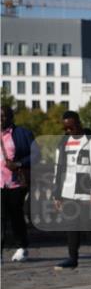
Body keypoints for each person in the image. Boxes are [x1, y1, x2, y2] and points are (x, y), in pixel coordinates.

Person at [52, 111, 91, 269]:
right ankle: (73, 259)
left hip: (88, 189)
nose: (69, 132)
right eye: (66, 129)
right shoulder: (63, 142)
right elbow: (58, 169)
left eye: (71, 127)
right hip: (68, 190)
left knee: (89, 221)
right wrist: (57, 194)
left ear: (79, 123)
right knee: (71, 224)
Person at [1, 105, 35, 261]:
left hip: (16, 183)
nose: (0, 119)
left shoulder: (22, 134)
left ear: (11, 117)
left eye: (3, 116)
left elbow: (36, 154)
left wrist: (19, 164)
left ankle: (21, 246)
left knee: (16, 216)